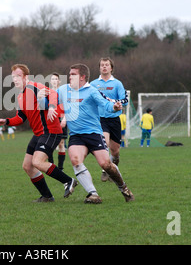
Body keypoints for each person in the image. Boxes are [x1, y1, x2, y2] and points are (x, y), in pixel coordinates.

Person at [0, 64, 78, 203]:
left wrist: (52, 107)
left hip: (51, 131)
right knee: (27, 166)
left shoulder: (33, 87)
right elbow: (21, 118)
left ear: (25, 77)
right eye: (13, 76)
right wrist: (7, 121)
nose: (15, 79)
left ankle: (69, 181)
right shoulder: (20, 96)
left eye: (18, 76)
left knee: (38, 162)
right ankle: (47, 196)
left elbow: (53, 93)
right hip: (39, 133)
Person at [57, 63, 134, 204]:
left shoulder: (92, 91)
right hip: (76, 135)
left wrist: (115, 106)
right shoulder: (63, 90)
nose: (69, 77)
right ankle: (93, 194)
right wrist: (42, 99)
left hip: (94, 134)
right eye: (69, 74)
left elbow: (105, 105)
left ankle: (123, 188)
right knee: (75, 160)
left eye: (73, 74)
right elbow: (49, 100)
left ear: (82, 77)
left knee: (106, 165)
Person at [90, 57, 129, 182]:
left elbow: (125, 100)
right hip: (100, 119)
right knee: (104, 143)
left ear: (111, 68)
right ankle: (105, 169)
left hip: (114, 119)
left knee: (115, 151)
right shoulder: (93, 84)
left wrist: (118, 104)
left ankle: (114, 168)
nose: (104, 67)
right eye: (102, 65)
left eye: (106, 65)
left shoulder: (117, 83)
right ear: (99, 67)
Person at [48, 72, 67, 171]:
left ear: (59, 81)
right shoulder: (48, 92)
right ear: (50, 81)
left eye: (56, 79)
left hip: (61, 118)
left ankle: (60, 168)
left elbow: (67, 106)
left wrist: (64, 118)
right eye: (52, 79)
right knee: (50, 143)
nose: (54, 81)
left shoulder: (63, 92)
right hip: (51, 119)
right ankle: (51, 166)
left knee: (61, 143)